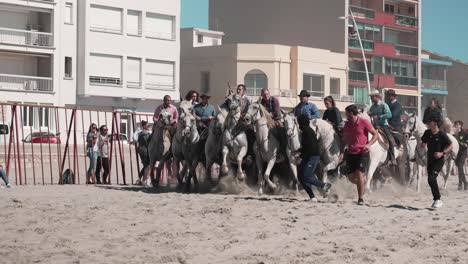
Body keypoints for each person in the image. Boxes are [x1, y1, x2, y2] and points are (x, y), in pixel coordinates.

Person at [343, 105, 379, 205]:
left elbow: (375, 134)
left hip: (362, 153)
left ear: (351, 113)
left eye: (346, 113)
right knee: (351, 178)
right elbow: (345, 138)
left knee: (359, 174)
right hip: (351, 153)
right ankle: (362, 182)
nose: (345, 115)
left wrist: (369, 144)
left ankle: (360, 198)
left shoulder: (364, 122)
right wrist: (342, 151)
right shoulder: (347, 124)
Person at [295, 114, 332, 202]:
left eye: (299, 122)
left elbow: (311, 147)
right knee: (300, 177)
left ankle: (324, 185)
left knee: (306, 176)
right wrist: (298, 151)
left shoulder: (307, 131)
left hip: (312, 156)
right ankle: (312, 197)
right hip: (307, 156)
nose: (298, 124)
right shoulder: (305, 131)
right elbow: (306, 146)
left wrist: (301, 154)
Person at [421, 115, 453, 208]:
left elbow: (450, 146)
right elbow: (423, 142)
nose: (428, 123)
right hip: (429, 159)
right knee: (430, 180)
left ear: (434, 123)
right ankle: (436, 199)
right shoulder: (427, 132)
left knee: (431, 178)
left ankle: (438, 199)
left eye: (430, 121)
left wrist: (442, 153)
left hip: (439, 160)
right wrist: (422, 144)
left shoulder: (442, 134)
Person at [368, 90, 396, 164]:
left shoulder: (384, 105)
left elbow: (389, 115)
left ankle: (392, 158)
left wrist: (379, 117)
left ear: (376, 97)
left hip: (384, 126)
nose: (370, 98)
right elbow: (371, 115)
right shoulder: (372, 107)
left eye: (372, 97)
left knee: (390, 140)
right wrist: (369, 114)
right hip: (374, 126)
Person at [453, 120, 468, 190]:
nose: (456, 125)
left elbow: (466, 143)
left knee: (460, 166)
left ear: (460, 126)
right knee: (460, 168)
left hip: (463, 152)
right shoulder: (454, 134)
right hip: (456, 153)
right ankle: (465, 182)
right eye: (455, 124)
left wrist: (466, 144)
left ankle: (460, 184)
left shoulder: (465, 133)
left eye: (457, 124)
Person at [136, 120, 151, 185]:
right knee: (148, 166)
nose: (149, 127)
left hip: (143, 151)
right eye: (148, 125)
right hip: (144, 151)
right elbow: (148, 142)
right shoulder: (144, 133)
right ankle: (146, 180)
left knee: (145, 166)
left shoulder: (143, 133)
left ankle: (139, 179)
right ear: (144, 126)